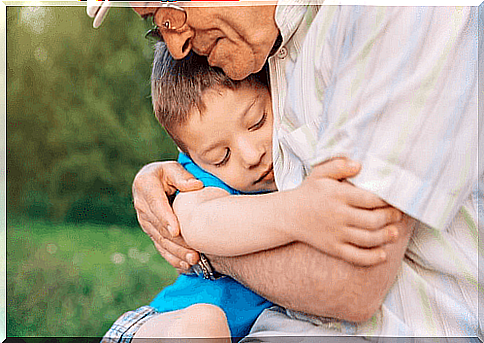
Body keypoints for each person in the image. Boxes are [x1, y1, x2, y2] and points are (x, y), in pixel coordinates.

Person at [91, 1, 481, 341]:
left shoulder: (379, 20)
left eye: (168, 12)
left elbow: (349, 283)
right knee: (201, 325)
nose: (176, 46)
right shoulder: (264, 48)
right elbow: (197, 216)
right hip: (176, 323)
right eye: (156, 27)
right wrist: (299, 211)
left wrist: (205, 253)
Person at [103, 41, 400, 342]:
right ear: (191, 158)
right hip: (162, 325)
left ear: (276, 93)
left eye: (257, 122)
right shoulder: (198, 180)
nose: (250, 155)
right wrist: (301, 210)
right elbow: (200, 223)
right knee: (204, 326)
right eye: (222, 156)